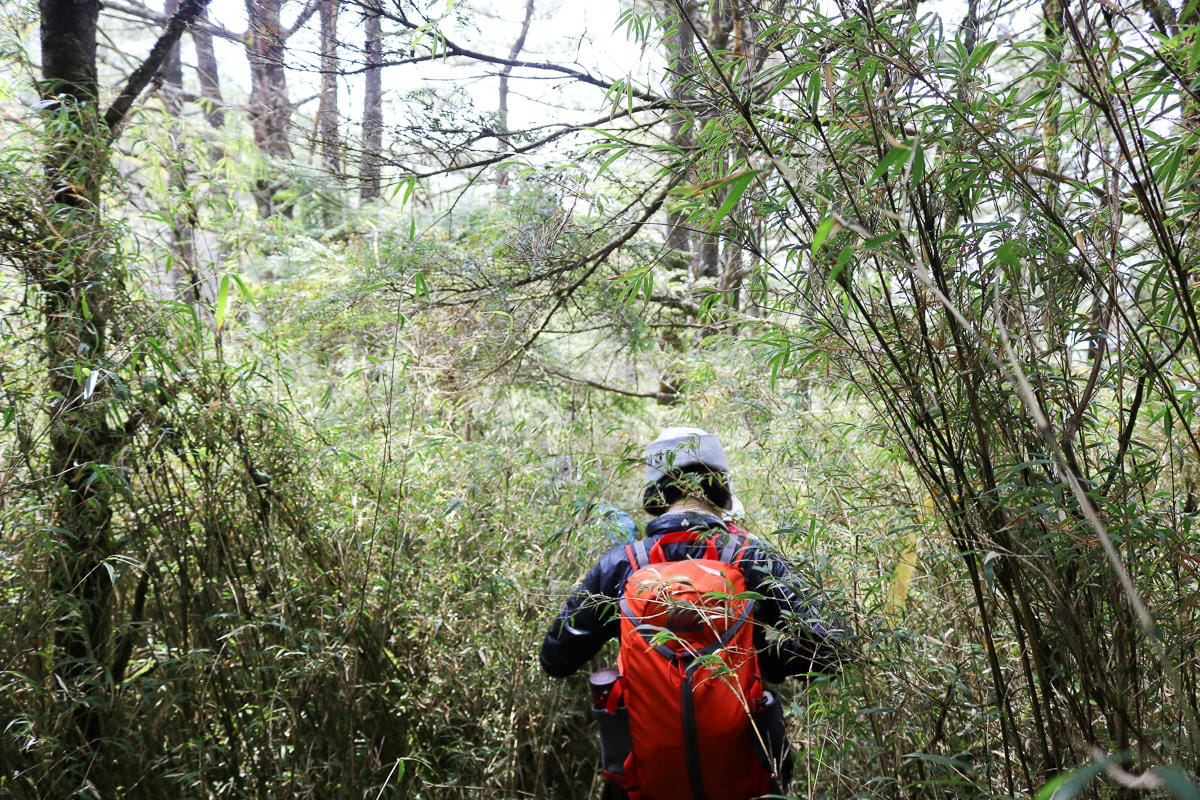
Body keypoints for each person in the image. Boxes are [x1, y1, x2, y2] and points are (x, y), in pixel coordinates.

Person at [540, 426, 852, 800]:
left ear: (656, 492)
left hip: (646, 784)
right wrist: (764, 659)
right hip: (741, 781)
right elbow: (835, 644)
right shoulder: (750, 559)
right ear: (720, 488)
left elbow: (555, 659)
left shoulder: (622, 566)